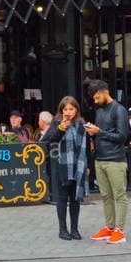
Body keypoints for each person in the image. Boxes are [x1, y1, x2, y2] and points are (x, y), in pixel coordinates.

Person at [85, 80, 130, 244]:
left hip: (115, 160)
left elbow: (122, 136)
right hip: (100, 158)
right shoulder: (100, 110)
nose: (95, 101)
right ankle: (110, 227)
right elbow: (103, 133)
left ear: (105, 92)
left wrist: (100, 132)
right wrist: (93, 131)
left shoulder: (119, 110)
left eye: (97, 97)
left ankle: (120, 230)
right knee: (105, 196)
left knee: (119, 196)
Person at [43, 96, 88, 240]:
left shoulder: (81, 124)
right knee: (62, 199)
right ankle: (63, 230)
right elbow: (47, 140)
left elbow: (85, 147)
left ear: (76, 110)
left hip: (77, 166)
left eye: (71, 109)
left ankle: (74, 229)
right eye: (65, 109)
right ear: (61, 110)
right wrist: (61, 129)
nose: (68, 112)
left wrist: (88, 166)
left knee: (75, 199)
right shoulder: (56, 123)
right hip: (61, 166)